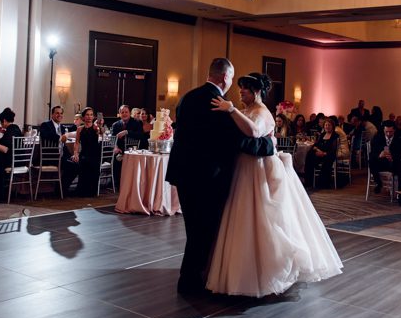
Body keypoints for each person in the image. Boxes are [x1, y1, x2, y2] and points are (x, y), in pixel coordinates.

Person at [207, 72, 342, 297]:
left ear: (257, 92)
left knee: (263, 217)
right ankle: (240, 270)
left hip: (258, 169)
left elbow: (254, 131)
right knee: (242, 216)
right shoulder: (248, 110)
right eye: (240, 89)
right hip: (243, 166)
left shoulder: (262, 112)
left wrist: (231, 110)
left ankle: (266, 271)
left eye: (245, 90)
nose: (241, 93)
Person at [165, 58, 275, 295]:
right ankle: (190, 282)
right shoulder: (220, 103)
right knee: (203, 229)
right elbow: (239, 141)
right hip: (207, 176)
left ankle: (190, 277)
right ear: (225, 77)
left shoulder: (187, 97)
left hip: (183, 172)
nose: (235, 85)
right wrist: (269, 145)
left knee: (193, 227)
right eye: (233, 80)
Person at [71, 107, 105, 197]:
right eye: (87, 115)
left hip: (94, 154)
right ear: (83, 117)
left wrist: (101, 126)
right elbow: (77, 142)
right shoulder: (80, 129)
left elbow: (101, 132)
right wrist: (75, 153)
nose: (89, 117)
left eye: (91, 115)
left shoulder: (96, 128)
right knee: (82, 164)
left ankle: (91, 192)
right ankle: (81, 191)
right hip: (84, 154)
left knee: (91, 165)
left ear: (93, 117)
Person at [110, 104, 146, 190]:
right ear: (119, 114)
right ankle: (118, 186)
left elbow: (141, 135)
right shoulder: (116, 125)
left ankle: (132, 186)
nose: (124, 114)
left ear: (130, 113)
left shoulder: (137, 123)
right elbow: (112, 139)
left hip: (133, 151)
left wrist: (127, 132)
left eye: (126, 112)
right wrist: (115, 147)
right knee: (116, 159)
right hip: (120, 150)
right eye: (122, 112)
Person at [368, 120, 401, 196]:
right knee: (371, 161)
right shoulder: (377, 138)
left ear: (394, 130)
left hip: (392, 163)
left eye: (391, 132)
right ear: (384, 130)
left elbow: (399, 155)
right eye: (386, 132)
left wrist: (392, 158)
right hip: (380, 163)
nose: (388, 134)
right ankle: (378, 182)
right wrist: (379, 155)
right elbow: (372, 154)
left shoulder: (399, 139)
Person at [304, 116, 339, 189]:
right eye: (326, 125)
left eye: (329, 125)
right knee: (309, 155)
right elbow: (315, 145)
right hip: (319, 153)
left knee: (313, 158)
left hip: (328, 155)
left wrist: (323, 153)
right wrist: (317, 150)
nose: (327, 126)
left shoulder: (335, 135)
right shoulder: (322, 134)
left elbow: (333, 150)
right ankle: (308, 181)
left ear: (333, 126)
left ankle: (321, 182)